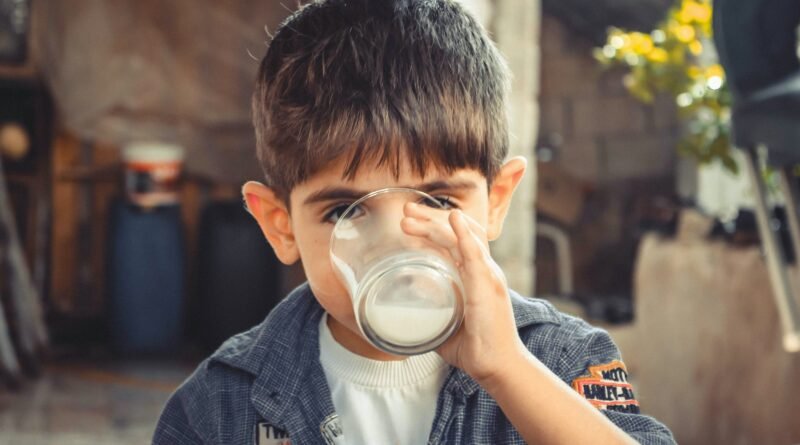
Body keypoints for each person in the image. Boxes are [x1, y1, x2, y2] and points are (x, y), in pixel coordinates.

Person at [153, 0, 676, 443]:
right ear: (280, 225)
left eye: (438, 203)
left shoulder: (563, 360)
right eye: (344, 211)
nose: (395, 243)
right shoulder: (220, 405)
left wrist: (508, 370)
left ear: (494, 202)